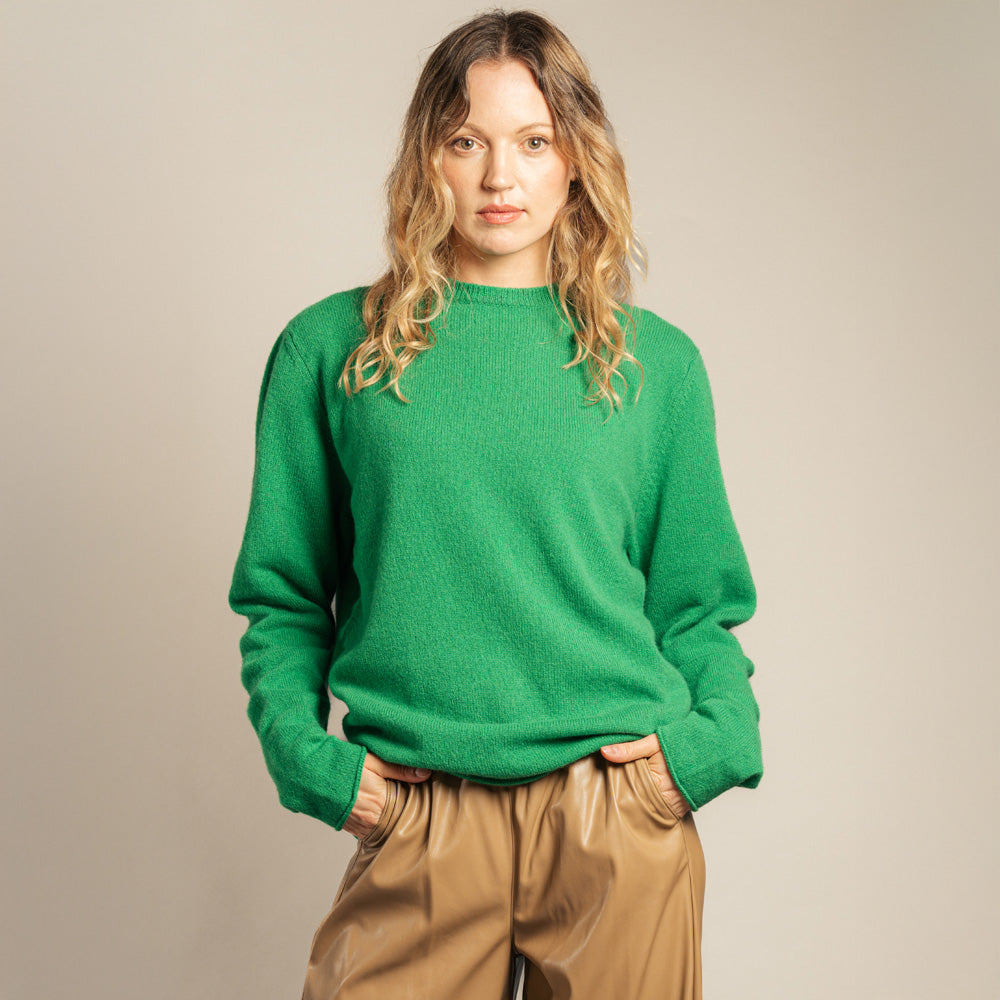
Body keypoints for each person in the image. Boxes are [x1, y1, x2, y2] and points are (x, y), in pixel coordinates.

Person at [227, 9, 763, 999]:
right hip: (420, 811)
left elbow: (695, 603)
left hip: (615, 811)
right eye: (465, 141)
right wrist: (313, 763)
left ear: (576, 159)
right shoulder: (331, 350)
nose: (498, 178)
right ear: (425, 157)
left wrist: (710, 745)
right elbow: (284, 594)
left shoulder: (657, 367)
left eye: (533, 142)